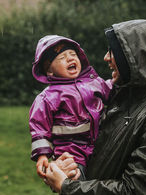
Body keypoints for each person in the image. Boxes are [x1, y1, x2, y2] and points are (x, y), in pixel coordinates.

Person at [44, 19, 146, 194]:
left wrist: (68, 187)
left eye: (113, 51)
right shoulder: (118, 101)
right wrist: (69, 168)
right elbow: (97, 158)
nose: (106, 57)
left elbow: (138, 191)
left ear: (136, 58)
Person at [29, 35, 112, 181]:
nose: (69, 58)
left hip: (101, 146)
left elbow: (112, 90)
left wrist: (119, 81)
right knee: (75, 182)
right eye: (62, 58)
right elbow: (39, 128)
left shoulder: (94, 83)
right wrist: (42, 155)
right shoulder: (48, 97)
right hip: (71, 155)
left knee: (104, 182)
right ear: (49, 70)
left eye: (73, 54)